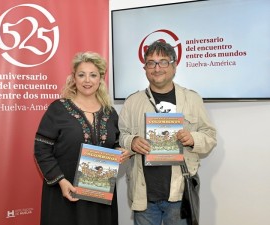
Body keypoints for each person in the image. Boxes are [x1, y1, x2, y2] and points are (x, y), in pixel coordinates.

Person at [118, 41, 217, 225]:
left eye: (163, 62)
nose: (157, 68)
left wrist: (192, 138)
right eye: (151, 63)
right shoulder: (132, 102)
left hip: (180, 193)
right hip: (144, 196)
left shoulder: (192, 99)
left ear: (174, 65)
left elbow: (210, 136)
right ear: (145, 68)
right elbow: (121, 135)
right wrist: (131, 142)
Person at [34, 51, 130, 225]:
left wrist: (120, 152)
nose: (87, 80)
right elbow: (41, 149)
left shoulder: (110, 112)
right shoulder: (58, 109)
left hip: (100, 195)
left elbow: (114, 143)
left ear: (100, 79)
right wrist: (61, 181)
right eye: (82, 75)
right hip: (66, 194)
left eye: (93, 75)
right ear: (73, 78)